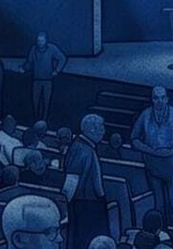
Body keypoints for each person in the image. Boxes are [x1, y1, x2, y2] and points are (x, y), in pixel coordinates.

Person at [131, 84, 173, 229]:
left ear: (167, 99)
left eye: (162, 98)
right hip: (152, 165)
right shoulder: (145, 115)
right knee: (158, 205)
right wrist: (149, 150)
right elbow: (134, 139)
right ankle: (159, 233)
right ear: (152, 99)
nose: (159, 101)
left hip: (170, 165)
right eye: (156, 98)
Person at [65, 113, 110, 246]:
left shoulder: (80, 146)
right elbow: (72, 179)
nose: (104, 131)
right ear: (91, 130)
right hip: (87, 205)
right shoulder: (84, 150)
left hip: (84, 204)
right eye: (101, 127)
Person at [14, 32, 68, 122]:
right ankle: (36, 121)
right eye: (38, 41)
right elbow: (29, 62)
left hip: (48, 81)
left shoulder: (52, 48)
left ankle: (44, 122)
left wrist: (57, 70)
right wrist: (23, 68)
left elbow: (62, 58)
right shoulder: (33, 49)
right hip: (36, 81)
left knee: (46, 102)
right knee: (35, 102)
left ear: (46, 41)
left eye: (42, 41)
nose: (40, 43)